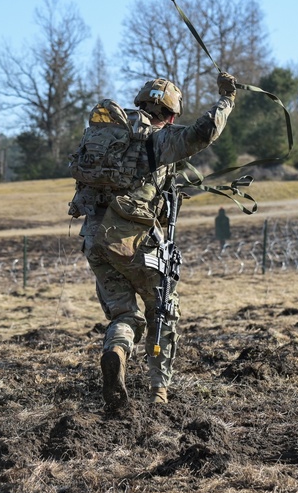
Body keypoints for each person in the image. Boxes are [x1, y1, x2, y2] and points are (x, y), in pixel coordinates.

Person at [70, 72, 237, 409]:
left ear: (141, 103)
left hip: (94, 240)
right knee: (163, 311)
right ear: (171, 115)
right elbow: (204, 132)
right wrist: (226, 99)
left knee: (126, 316)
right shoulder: (155, 139)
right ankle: (158, 392)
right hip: (134, 243)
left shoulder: (106, 136)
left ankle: (116, 350)